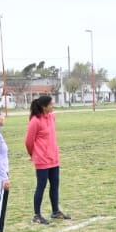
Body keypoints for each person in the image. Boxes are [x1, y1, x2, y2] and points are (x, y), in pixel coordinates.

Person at [25, 95, 70, 224]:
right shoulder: (35, 121)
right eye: (51, 104)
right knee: (41, 186)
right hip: (42, 159)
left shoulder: (51, 117)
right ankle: (37, 215)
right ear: (44, 107)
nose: (53, 106)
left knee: (55, 185)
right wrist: (32, 155)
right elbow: (29, 142)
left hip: (53, 158)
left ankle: (55, 211)